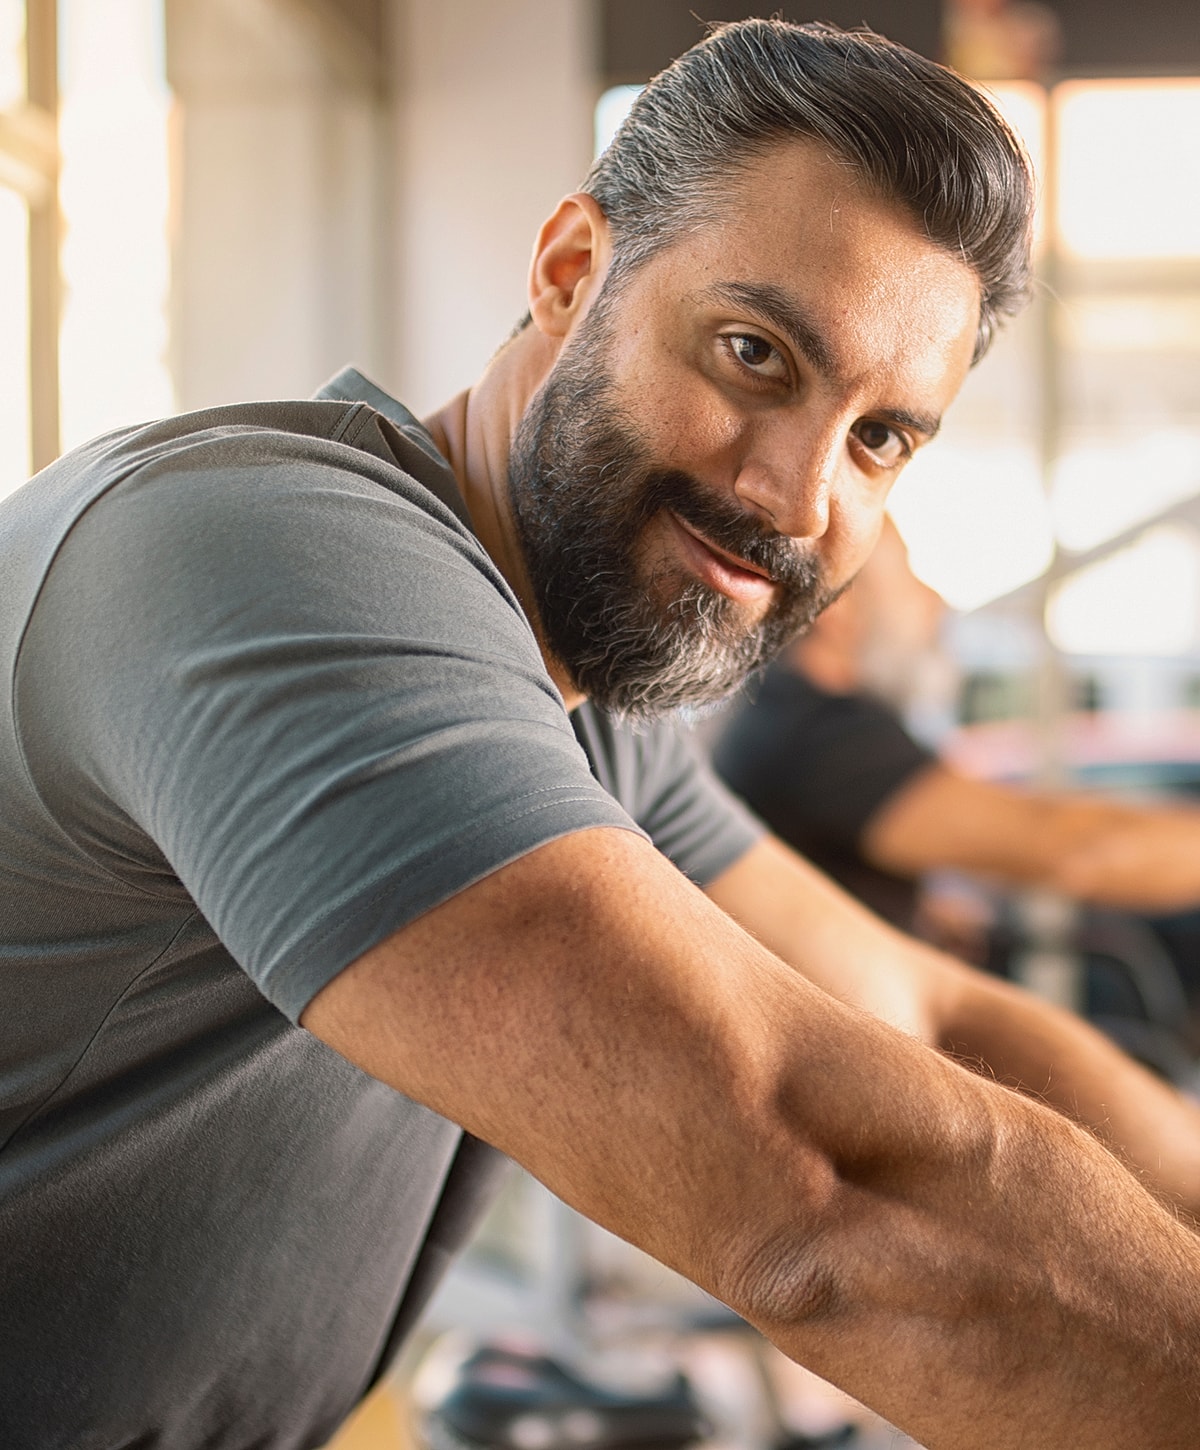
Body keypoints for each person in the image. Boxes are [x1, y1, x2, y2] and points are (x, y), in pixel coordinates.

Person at [2, 19, 1200, 1450]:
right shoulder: (271, 559)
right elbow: (835, 1196)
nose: (799, 493)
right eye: (756, 354)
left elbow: (927, 1012)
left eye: (879, 437)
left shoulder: (576, 685)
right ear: (573, 272)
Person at [713, 515, 1200, 938]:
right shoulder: (824, 738)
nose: (934, 601)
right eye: (909, 577)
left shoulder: (789, 713)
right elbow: (1076, 848)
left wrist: (920, 908)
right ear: (837, 607)